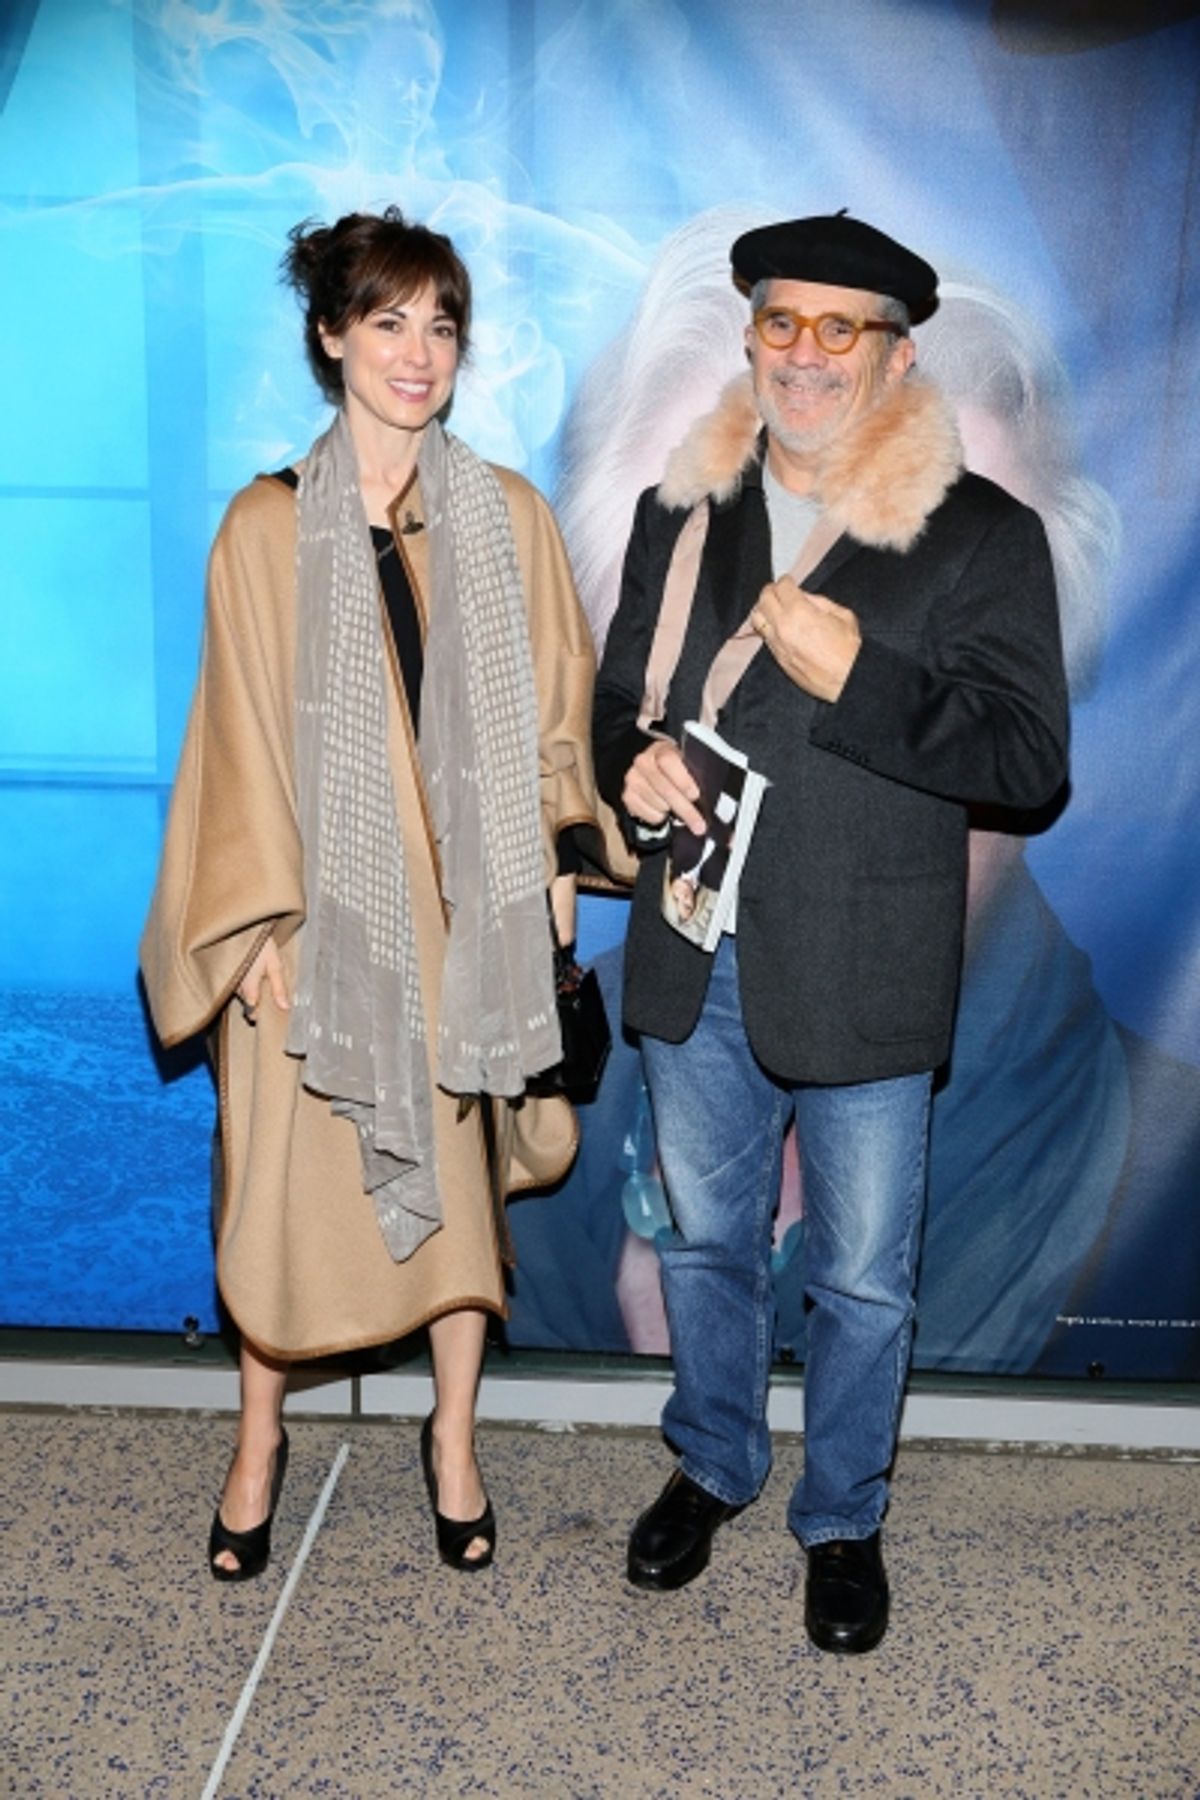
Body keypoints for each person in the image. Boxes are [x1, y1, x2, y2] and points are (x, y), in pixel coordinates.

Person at [591, 212, 1069, 1653]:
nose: (806, 353)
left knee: (862, 1276)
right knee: (705, 1245)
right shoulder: (684, 512)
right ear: (753, 339)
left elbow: (1027, 762)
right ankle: (713, 1461)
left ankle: (844, 1515)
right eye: (782, 322)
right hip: (696, 947)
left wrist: (862, 675)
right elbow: (619, 701)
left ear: (896, 354)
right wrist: (631, 763)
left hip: (866, 962)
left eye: (840, 327)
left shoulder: (980, 535)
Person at [141, 208, 602, 1579]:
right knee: (283, 1202)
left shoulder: (508, 515)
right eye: (388, 321)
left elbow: (558, 714)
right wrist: (255, 929)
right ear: (330, 335)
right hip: (315, 933)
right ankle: (257, 1447)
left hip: (468, 927)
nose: (418, 352)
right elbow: (232, 741)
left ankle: (453, 1444)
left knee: (458, 1201)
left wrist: (556, 872)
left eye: (440, 325)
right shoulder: (264, 526)